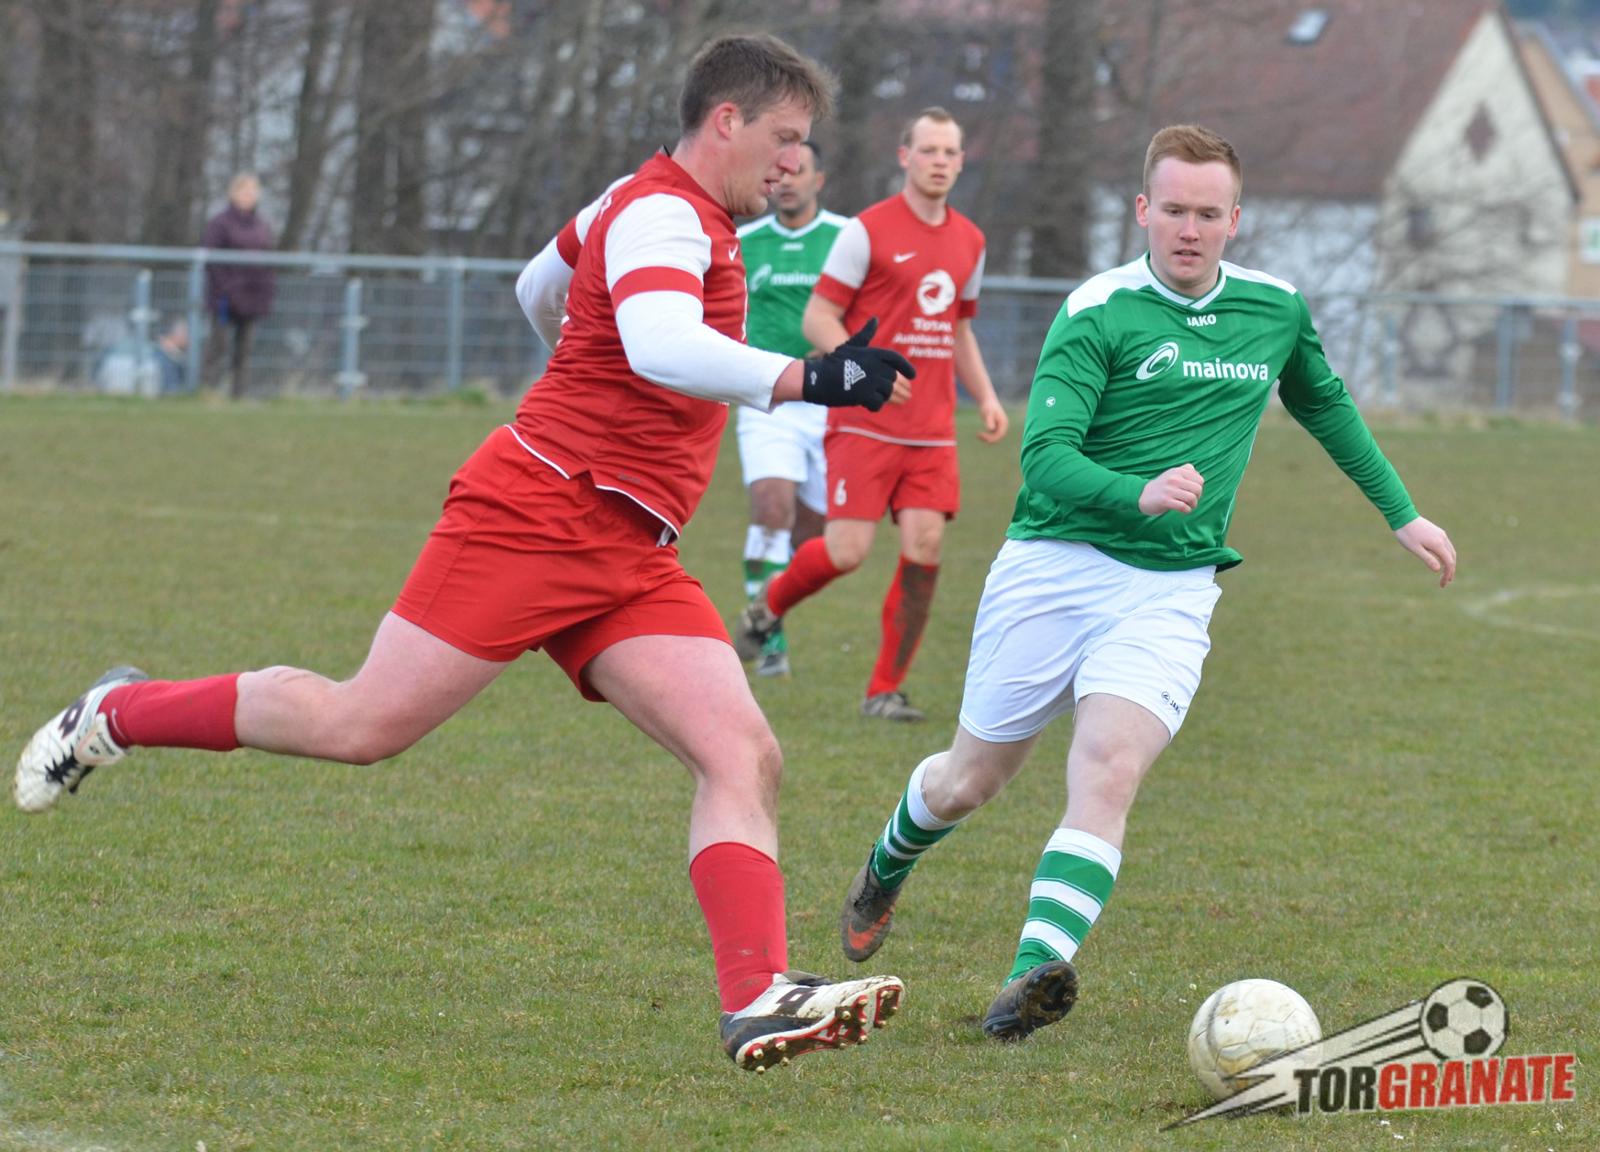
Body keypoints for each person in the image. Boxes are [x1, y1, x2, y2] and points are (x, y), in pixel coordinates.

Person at [15, 34, 916, 1074]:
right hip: (537, 514)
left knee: (742, 751)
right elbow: (659, 343)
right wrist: (808, 378)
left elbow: (540, 285)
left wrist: (585, 371)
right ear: (726, 120)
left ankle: (757, 996)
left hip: (627, 544)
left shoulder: (640, 205)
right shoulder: (664, 213)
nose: (795, 163)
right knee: (360, 725)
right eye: (785, 138)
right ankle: (117, 712)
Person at [833, 124, 1457, 1041]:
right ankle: (888, 865)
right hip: (1055, 569)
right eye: (1173, 210)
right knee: (969, 781)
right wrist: (1138, 491)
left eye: (1208, 213)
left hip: (1171, 588)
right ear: (1142, 211)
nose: (1189, 229)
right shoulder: (1098, 310)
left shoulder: (1276, 309)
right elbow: (1045, 459)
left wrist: (1401, 512)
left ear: (1235, 220)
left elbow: (1323, 401)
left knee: (1109, 768)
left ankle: (1028, 979)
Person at [734, 107, 1009, 722]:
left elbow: (959, 330)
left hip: (932, 431)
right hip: (864, 421)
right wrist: (862, 374)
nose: (939, 161)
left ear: (961, 162)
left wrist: (987, 397)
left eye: (950, 152)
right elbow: (818, 319)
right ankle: (765, 610)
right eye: (928, 150)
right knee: (846, 550)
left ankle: (884, 690)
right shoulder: (866, 231)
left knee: (926, 547)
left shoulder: (971, 240)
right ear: (905, 157)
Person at [733, 141, 848, 678]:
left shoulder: (847, 239)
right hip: (769, 400)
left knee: (816, 537)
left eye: (798, 172)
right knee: (770, 508)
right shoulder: (744, 242)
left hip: (832, 404)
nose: (786, 181)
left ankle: (767, 605)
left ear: (818, 180)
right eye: (779, 171)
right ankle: (770, 641)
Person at [202, 173, 275, 399]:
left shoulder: (262, 225)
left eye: (253, 191)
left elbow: (268, 259)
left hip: (253, 296)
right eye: (244, 190)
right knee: (219, 344)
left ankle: (239, 395)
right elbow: (212, 259)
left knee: (244, 349)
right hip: (225, 298)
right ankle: (207, 392)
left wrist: (265, 290)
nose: (248, 195)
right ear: (233, 193)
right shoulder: (219, 223)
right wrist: (228, 288)